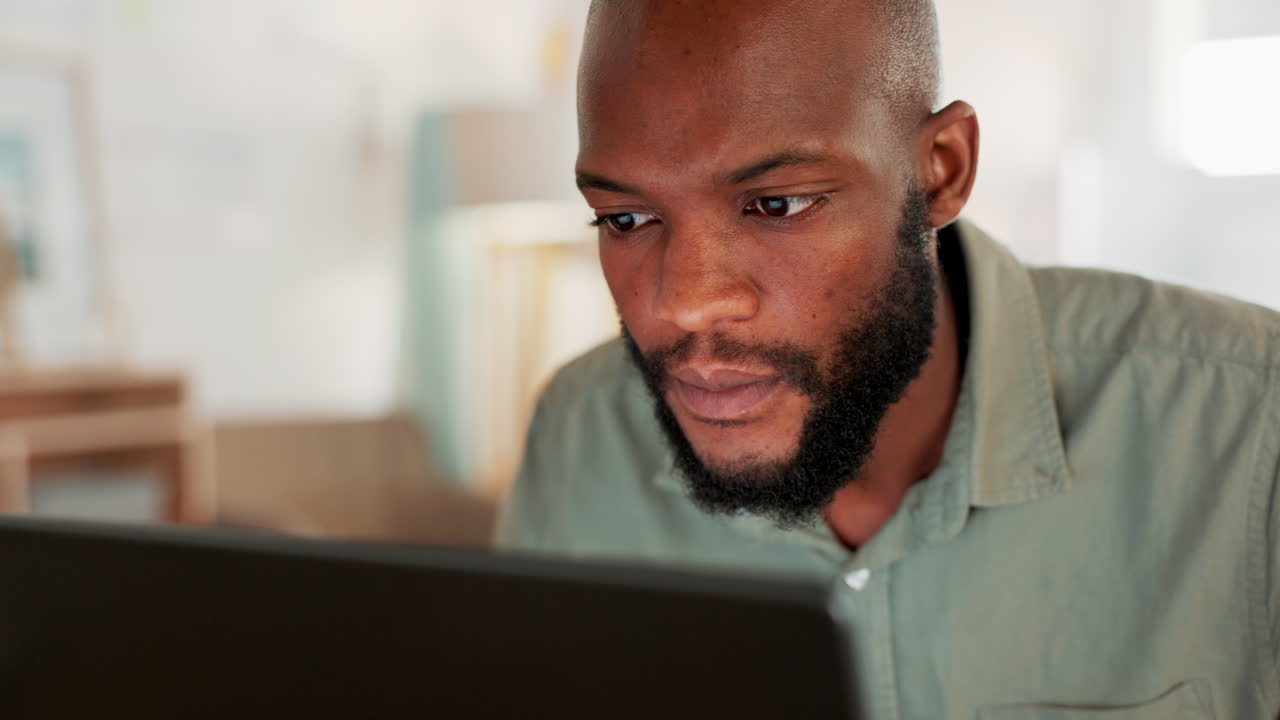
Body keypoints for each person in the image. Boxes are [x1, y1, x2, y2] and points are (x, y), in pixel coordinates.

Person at [495, 1, 1280, 716]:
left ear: (942, 169)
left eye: (778, 204)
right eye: (626, 217)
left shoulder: (1251, 433)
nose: (685, 303)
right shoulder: (579, 443)